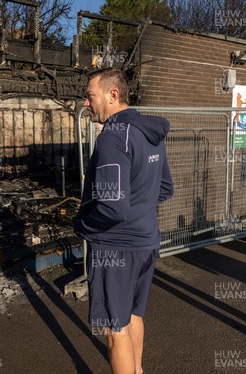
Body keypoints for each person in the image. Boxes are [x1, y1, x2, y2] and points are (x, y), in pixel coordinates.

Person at [74, 68, 173, 374]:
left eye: (90, 96)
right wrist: (139, 210)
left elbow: (113, 208)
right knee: (132, 315)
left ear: (112, 94)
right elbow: (165, 188)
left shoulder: (111, 140)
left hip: (114, 248)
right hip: (146, 242)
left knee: (114, 329)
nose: (87, 103)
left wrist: (82, 225)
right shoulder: (150, 133)